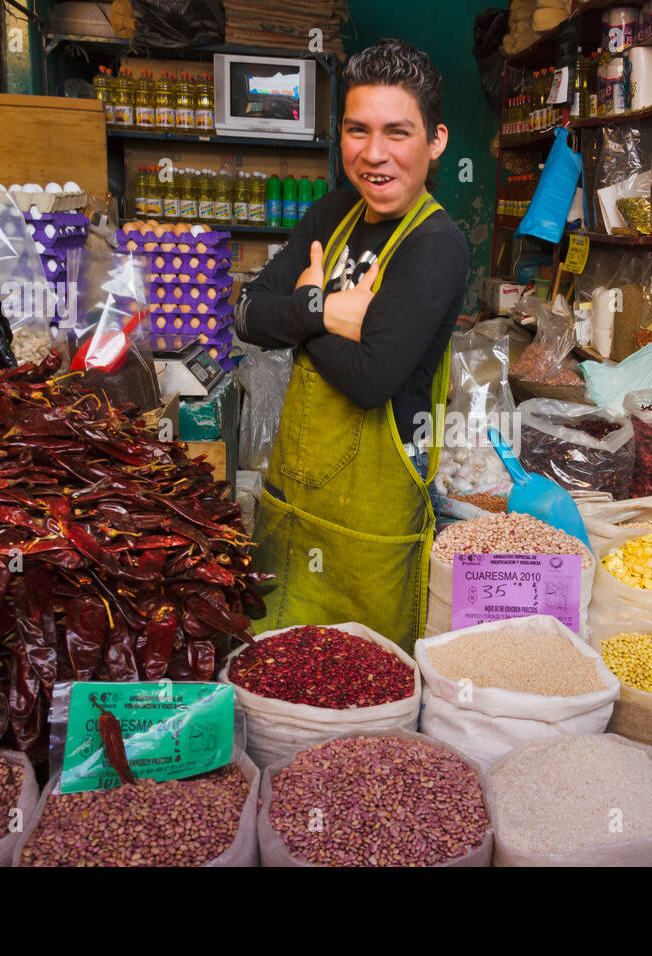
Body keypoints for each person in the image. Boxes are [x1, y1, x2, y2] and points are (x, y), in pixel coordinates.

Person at [234, 39, 469, 651]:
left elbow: (371, 379)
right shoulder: (334, 211)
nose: (374, 154)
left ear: (435, 141)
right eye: (357, 130)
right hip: (293, 500)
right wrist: (327, 312)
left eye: (398, 132)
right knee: (275, 668)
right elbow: (246, 315)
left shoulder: (435, 244)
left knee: (359, 678)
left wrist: (298, 321)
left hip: (372, 517)